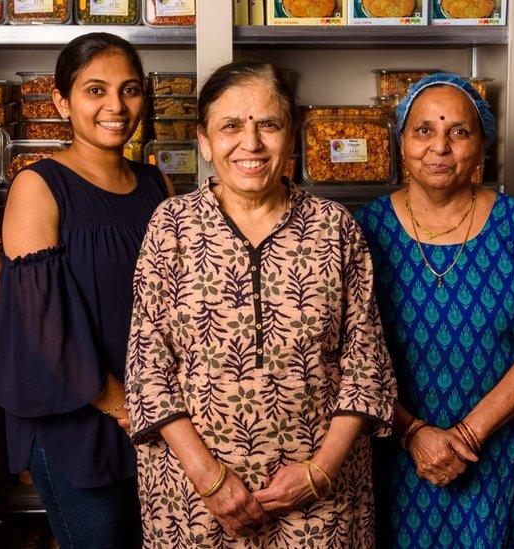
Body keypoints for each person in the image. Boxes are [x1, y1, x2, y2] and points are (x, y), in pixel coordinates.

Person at [125, 60, 397, 548]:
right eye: (230, 126)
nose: (250, 144)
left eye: (268, 125)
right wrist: (210, 479)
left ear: (291, 138)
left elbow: (366, 368)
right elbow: (149, 369)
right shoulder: (171, 226)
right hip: (192, 498)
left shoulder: (335, 228)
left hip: (320, 502)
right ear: (205, 141)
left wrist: (319, 472)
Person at [354, 73, 514, 548]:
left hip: (499, 449)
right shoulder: (362, 231)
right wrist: (414, 434)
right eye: (423, 130)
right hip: (400, 452)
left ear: (483, 146)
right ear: (401, 142)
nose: (440, 147)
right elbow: (348, 359)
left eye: (459, 131)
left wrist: (468, 435)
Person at [0, 33, 171, 548]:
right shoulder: (39, 186)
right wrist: (123, 407)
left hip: (154, 415)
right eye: (96, 90)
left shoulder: (157, 185)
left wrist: (162, 410)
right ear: (61, 101)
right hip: (78, 421)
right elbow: (45, 327)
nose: (116, 106)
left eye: (130, 90)